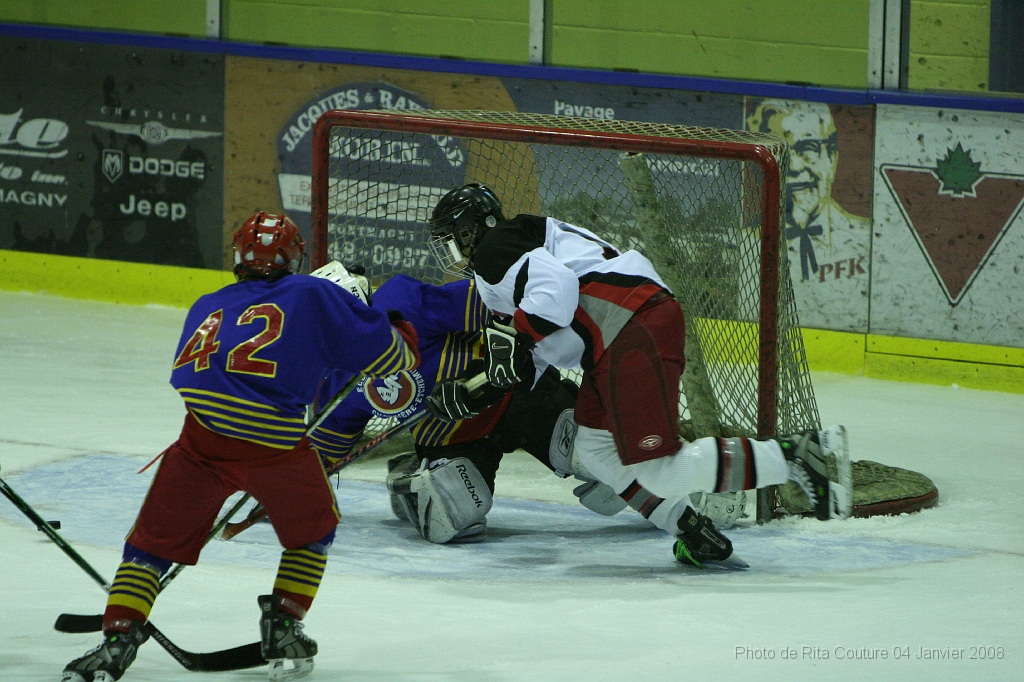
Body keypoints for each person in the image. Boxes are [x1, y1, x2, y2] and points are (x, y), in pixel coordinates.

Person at [62, 212, 421, 682]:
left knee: (150, 546)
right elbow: (395, 358)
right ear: (294, 257)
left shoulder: (207, 303)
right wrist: (392, 323)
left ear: (239, 256)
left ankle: (116, 641)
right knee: (314, 530)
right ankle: (283, 626)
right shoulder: (312, 292)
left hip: (200, 442)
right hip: (273, 446)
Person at [426, 183, 853, 568]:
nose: (452, 254)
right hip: (620, 334)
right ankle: (691, 529)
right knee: (594, 449)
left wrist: (514, 344)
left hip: (630, 327)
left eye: (451, 241)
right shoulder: (505, 263)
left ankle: (795, 455)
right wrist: (474, 390)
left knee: (658, 469)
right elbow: (526, 360)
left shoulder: (496, 247)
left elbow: (557, 292)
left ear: (471, 229)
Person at [306, 268, 592, 544]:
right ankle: (413, 472)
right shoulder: (335, 380)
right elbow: (325, 447)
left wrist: (503, 360)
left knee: (596, 467)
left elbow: (498, 304)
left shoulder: (402, 304)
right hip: (452, 440)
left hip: (516, 397)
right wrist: (297, 485)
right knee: (450, 519)